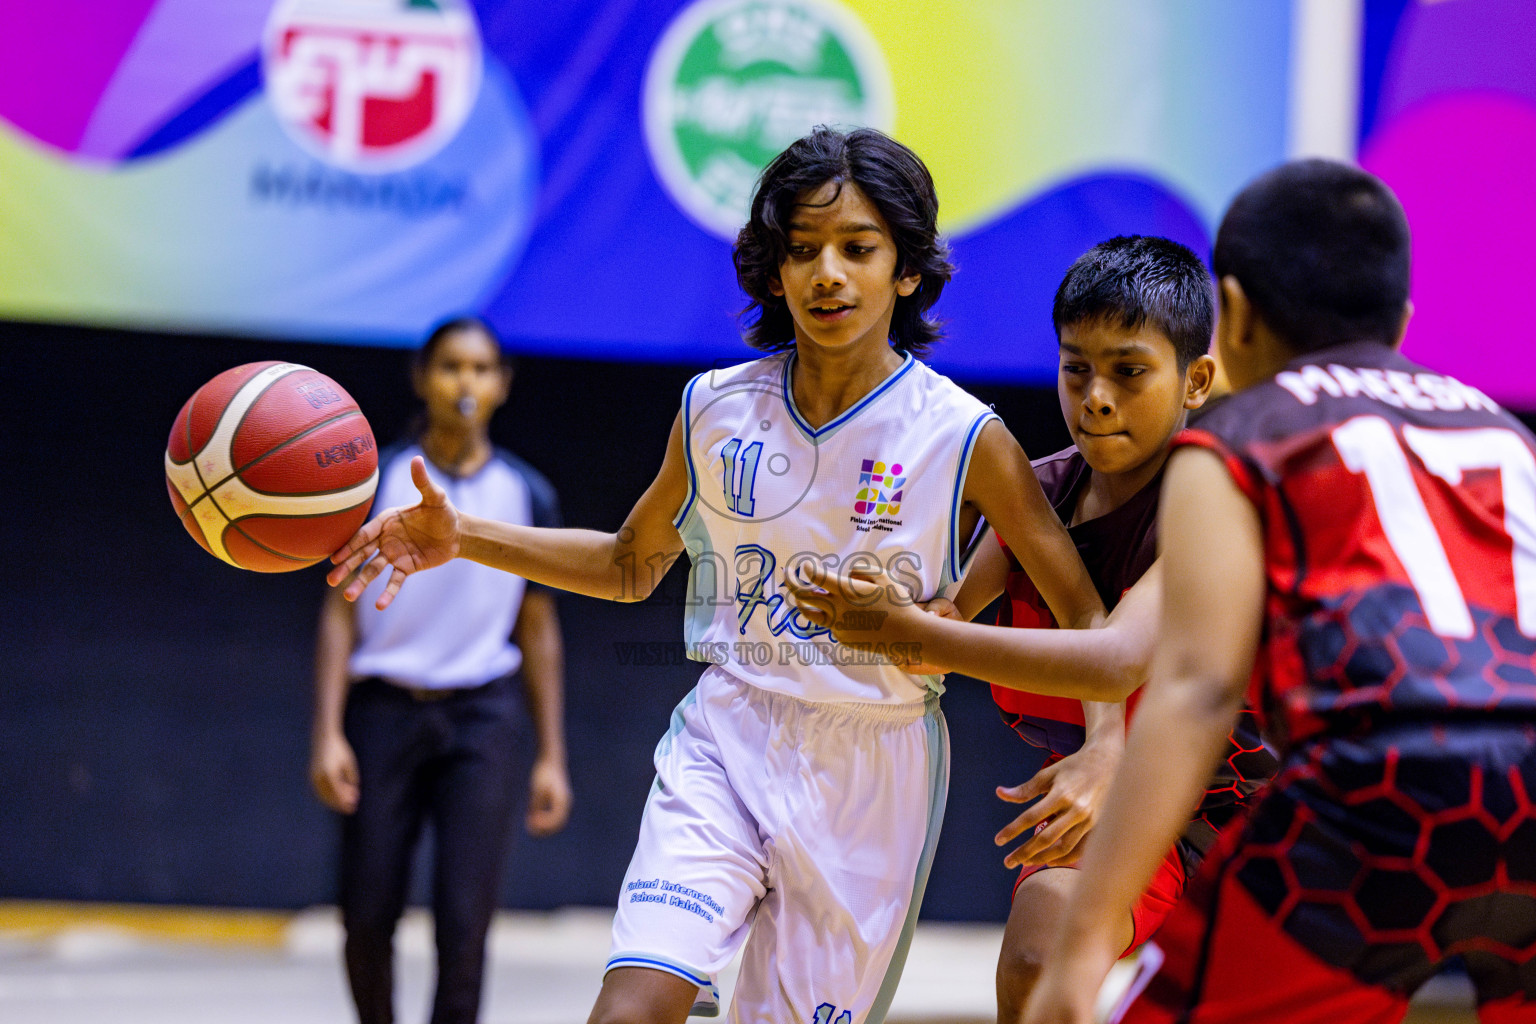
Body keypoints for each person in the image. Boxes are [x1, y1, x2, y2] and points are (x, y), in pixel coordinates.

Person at [327, 126, 1108, 1024]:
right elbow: (630, 566)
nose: (828, 274)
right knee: (628, 1010)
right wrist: (464, 536)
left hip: (872, 769)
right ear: (771, 271)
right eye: (802, 250)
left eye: (858, 249)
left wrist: (1105, 747)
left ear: (907, 271)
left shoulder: (966, 436)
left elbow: (1086, 615)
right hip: (728, 734)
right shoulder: (713, 406)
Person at [1018, 158, 1536, 1024]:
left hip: (1379, 795)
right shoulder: (1505, 434)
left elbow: (1198, 688)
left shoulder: (1238, 440)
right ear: (1401, 323)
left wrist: (1079, 954)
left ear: (1238, 314)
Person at [785, 235, 1279, 1022]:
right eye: (1076, 368)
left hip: (1263, 831)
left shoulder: (1220, 494)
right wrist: (878, 603)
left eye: (1129, 370)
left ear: (1198, 380)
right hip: (1131, 822)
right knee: (1035, 960)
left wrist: (907, 636)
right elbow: (941, 626)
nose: (1096, 396)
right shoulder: (1035, 493)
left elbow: (1110, 658)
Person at [311, 318, 573, 1024]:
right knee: (366, 912)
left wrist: (551, 755)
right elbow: (340, 611)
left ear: (503, 385)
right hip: (383, 710)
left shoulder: (528, 494)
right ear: (422, 378)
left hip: (482, 717)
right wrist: (328, 732)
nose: (466, 381)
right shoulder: (377, 482)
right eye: (451, 366)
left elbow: (539, 628)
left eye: (482, 368)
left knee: (466, 921)